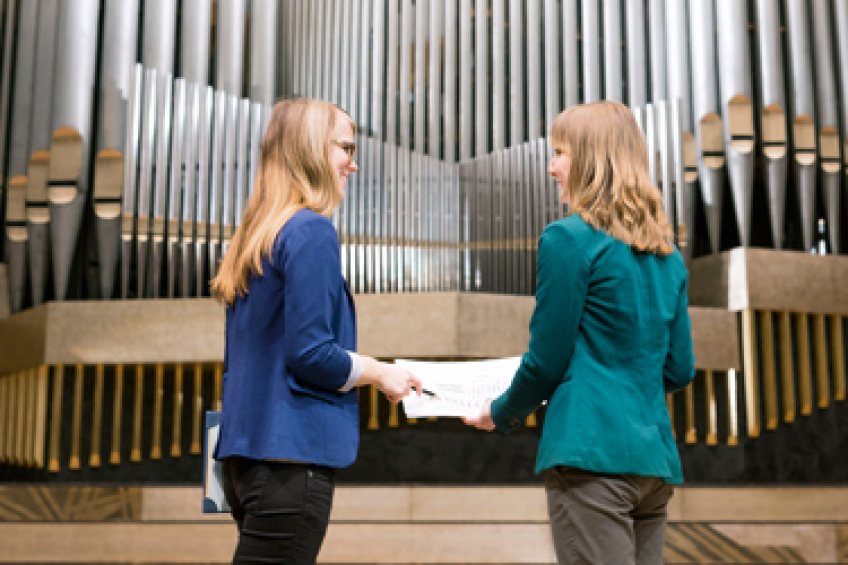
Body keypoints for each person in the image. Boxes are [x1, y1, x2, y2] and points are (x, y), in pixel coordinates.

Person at [464, 100, 695, 565]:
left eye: (560, 153)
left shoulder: (567, 238)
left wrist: (501, 412)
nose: (551, 167)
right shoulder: (667, 254)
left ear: (593, 160)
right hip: (653, 464)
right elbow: (680, 368)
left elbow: (545, 361)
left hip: (591, 457)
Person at [211, 97, 422, 565]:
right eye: (345, 147)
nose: (354, 162)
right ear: (309, 150)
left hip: (243, 458)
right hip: (290, 459)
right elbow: (310, 354)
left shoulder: (256, 237)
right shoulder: (310, 231)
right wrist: (379, 372)